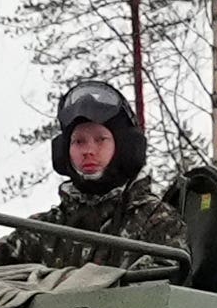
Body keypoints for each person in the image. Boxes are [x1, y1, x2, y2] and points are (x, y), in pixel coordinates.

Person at [33, 76, 186, 248]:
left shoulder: (156, 221)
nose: (88, 151)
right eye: (79, 141)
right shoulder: (43, 230)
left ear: (125, 147)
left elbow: (168, 270)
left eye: (100, 139)